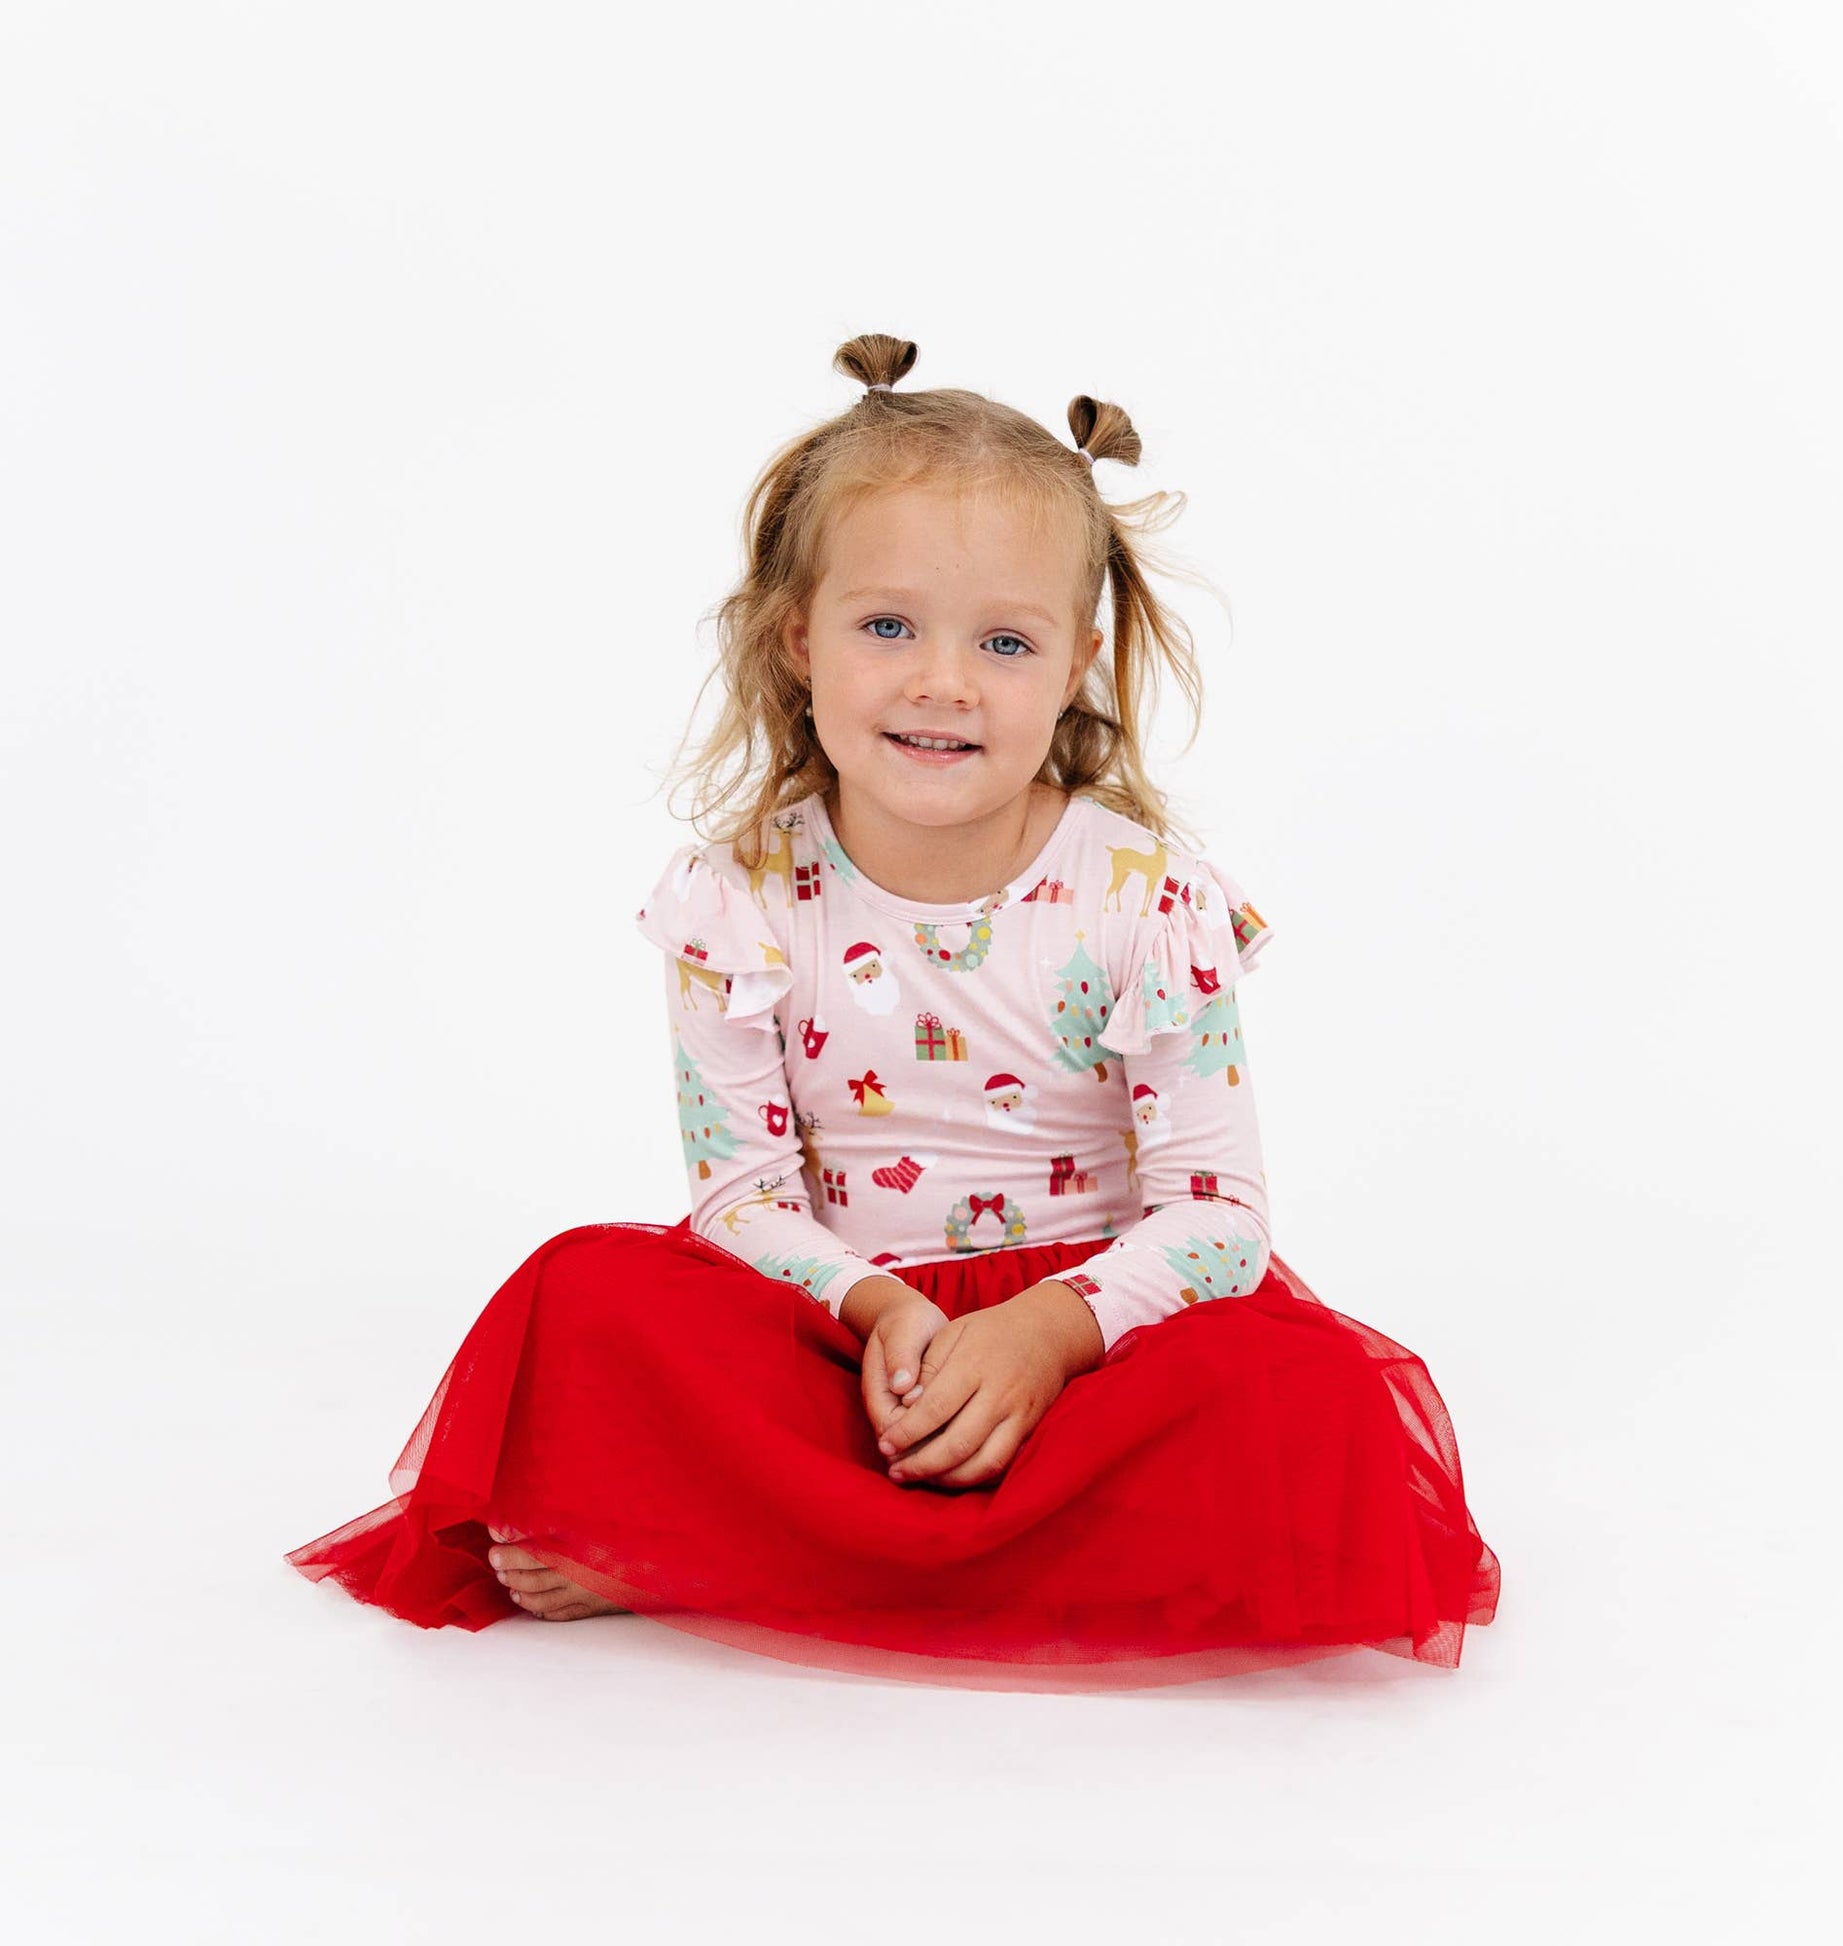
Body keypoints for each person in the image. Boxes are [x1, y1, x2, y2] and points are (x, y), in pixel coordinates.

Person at [285, 332, 1501, 1687]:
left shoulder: (1145, 896)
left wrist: (1046, 1333)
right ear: (797, 637)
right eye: (886, 627)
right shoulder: (737, 897)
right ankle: (906, 1552)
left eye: (1004, 641)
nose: (943, 682)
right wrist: (872, 1309)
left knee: (1297, 1395)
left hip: (1084, 1353)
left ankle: (727, 1555)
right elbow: (738, 1197)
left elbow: (1218, 1214)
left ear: (1076, 665)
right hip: (841, 1338)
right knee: (583, 1290)